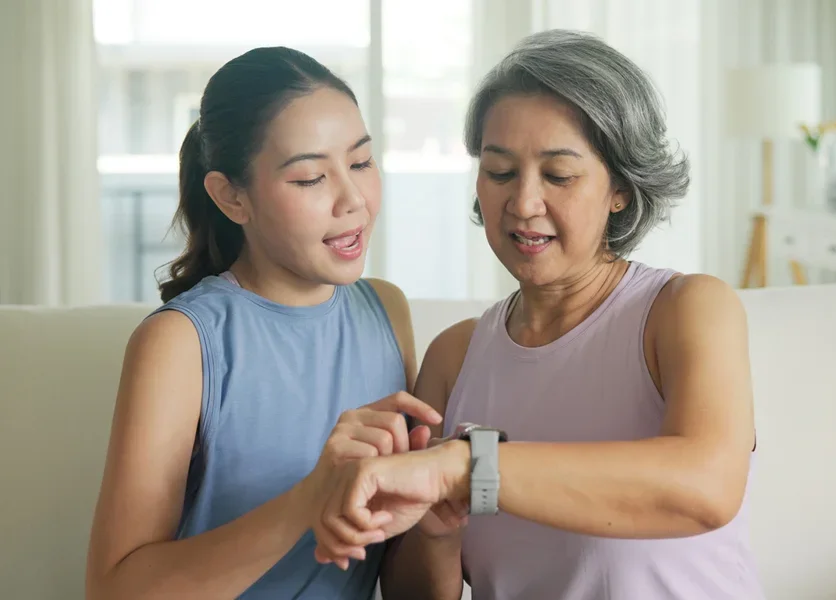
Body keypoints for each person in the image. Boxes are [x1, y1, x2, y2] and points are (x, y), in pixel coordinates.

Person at [314, 29, 765, 600]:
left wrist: (463, 467)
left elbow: (706, 488)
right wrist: (434, 528)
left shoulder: (684, 310)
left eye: (558, 175)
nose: (524, 203)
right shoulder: (455, 357)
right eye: (500, 172)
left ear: (620, 187)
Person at [84, 46, 444, 599]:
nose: (353, 201)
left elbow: (404, 586)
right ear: (232, 197)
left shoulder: (386, 312)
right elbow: (114, 591)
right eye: (309, 179)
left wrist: (436, 527)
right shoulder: (180, 342)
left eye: (361, 162)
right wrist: (309, 499)